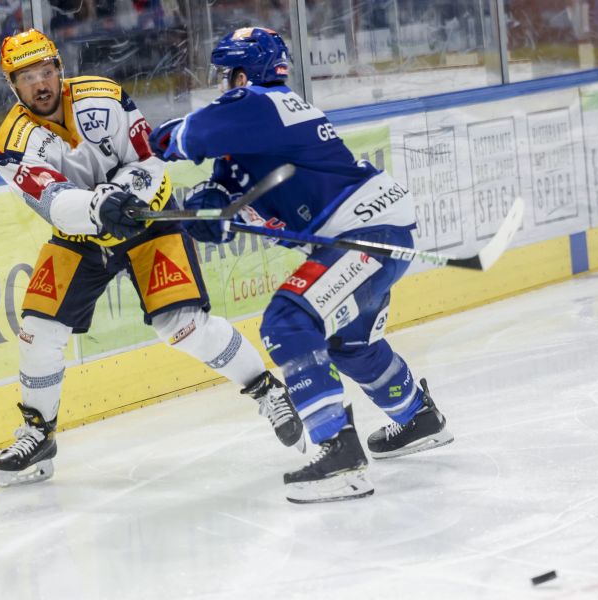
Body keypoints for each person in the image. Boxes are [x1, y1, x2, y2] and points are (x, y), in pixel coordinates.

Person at [148, 27, 454, 504]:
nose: (222, 83)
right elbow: (232, 195)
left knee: (289, 320)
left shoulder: (259, 103)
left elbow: (175, 140)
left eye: (227, 73)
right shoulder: (256, 129)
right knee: (347, 344)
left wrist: (151, 142)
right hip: (378, 232)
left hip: (363, 236)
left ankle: (339, 453)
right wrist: (210, 215)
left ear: (245, 73)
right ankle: (418, 417)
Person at [0, 28, 303, 487]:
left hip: (148, 221)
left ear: (60, 69)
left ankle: (265, 389)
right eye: (26, 77)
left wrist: (124, 192)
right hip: (81, 236)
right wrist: (98, 207)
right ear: (12, 86)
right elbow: (52, 200)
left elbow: (150, 159)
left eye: (45, 71)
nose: (40, 83)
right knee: (38, 330)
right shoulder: (10, 143)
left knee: (182, 326)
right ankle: (38, 433)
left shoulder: (105, 96)